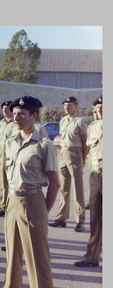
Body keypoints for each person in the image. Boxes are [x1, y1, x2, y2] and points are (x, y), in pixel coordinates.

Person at [0, 96, 60, 288]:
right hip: (13, 203)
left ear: (34, 117)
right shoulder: (10, 142)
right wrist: (7, 202)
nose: (16, 118)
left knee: (38, 259)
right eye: (14, 113)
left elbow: (54, 183)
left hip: (33, 201)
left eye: (21, 114)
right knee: (12, 257)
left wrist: (43, 211)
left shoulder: (44, 145)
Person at [50, 96, 88, 231]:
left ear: (76, 106)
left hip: (75, 153)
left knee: (78, 188)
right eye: (65, 105)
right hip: (63, 154)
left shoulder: (80, 122)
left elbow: (85, 143)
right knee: (64, 189)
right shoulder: (63, 121)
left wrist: (83, 159)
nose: (66, 107)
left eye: (69, 105)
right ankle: (61, 218)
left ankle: (80, 220)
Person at [75, 96, 102, 267]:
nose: (100, 110)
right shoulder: (92, 127)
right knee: (95, 219)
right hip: (96, 176)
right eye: (98, 107)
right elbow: (91, 151)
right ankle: (91, 257)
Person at [0, 100, 14, 218]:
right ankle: (3, 207)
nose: (5, 111)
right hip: (2, 154)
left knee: (12, 183)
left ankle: (11, 207)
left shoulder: (15, 123)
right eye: (3, 109)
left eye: (7, 109)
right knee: (3, 184)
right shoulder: (1, 123)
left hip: (11, 154)